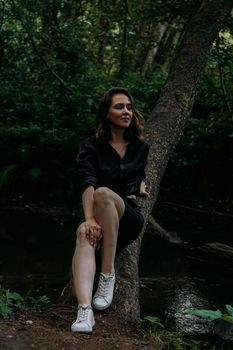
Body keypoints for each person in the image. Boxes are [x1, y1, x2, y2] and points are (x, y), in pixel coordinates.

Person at [71, 87, 150, 333]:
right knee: (85, 233)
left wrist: (140, 187)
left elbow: (138, 180)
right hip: (98, 213)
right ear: (107, 113)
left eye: (129, 107)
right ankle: (85, 312)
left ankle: (107, 274)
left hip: (127, 219)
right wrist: (90, 219)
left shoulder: (140, 147)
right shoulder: (90, 146)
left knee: (104, 193)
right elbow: (87, 182)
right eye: (119, 107)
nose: (126, 111)